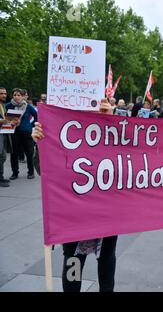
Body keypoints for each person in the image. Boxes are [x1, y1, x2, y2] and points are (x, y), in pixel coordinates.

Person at [32, 98, 119, 292]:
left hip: (106, 212)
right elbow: (44, 170)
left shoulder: (110, 131)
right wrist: (41, 144)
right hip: (73, 212)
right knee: (74, 261)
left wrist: (111, 122)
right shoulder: (63, 132)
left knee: (106, 260)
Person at [5, 88, 37, 180]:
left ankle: (30, 172)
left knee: (29, 153)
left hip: (26, 133)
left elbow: (36, 116)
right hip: (13, 132)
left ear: (23, 96)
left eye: (19, 95)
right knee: (14, 153)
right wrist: (8, 123)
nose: (16, 97)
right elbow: (4, 117)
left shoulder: (28, 106)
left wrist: (30, 125)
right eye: (15, 95)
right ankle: (15, 173)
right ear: (12, 96)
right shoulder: (8, 105)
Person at [0, 87, 14, 187]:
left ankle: (1, 177)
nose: (4, 95)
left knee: (2, 156)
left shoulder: (3, 105)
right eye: (1, 94)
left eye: (5, 93)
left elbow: (5, 118)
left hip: (4, 132)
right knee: (2, 156)